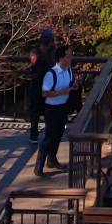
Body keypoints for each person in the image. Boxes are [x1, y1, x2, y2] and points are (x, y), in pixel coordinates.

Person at [34, 47, 75, 176]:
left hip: (63, 107)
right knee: (49, 137)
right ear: (61, 58)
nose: (71, 58)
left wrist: (74, 86)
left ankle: (52, 160)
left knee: (58, 134)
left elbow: (70, 84)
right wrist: (62, 92)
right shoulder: (51, 74)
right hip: (51, 108)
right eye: (68, 56)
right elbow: (45, 93)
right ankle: (38, 166)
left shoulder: (69, 71)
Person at [27, 29, 57, 144]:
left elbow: (33, 63)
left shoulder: (35, 51)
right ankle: (48, 135)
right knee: (49, 110)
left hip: (36, 83)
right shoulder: (54, 52)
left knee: (35, 112)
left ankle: (33, 135)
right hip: (48, 83)